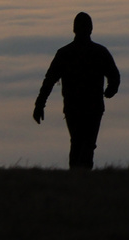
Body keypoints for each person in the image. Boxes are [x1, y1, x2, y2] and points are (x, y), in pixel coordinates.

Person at [33, 11, 121, 170]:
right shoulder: (99, 52)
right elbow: (114, 77)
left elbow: (49, 81)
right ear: (91, 29)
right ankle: (81, 178)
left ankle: (77, 177)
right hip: (91, 106)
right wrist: (110, 91)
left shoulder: (65, 53)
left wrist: (40, 105)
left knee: (78, 142)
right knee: (86, 144)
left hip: (75, 106)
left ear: (74, 29)